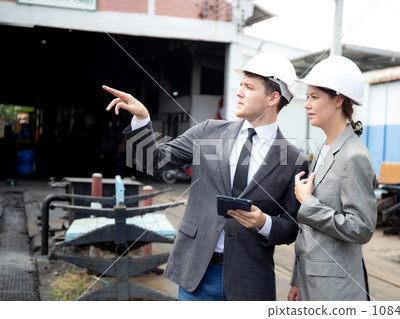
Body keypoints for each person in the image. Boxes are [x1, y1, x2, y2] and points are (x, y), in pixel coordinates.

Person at [104, 51, 309, 301]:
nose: (238, 92)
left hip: (249, 281)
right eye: (240, 85)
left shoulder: (293, 159)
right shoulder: (208, 132)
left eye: (248, 87)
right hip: (197, 273)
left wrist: (263, 222)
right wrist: (142, 118)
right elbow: (154, 160)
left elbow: (293, 226)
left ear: (272, 98)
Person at [288, 56, 377, 301]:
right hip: (311, 283)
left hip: (337, 292)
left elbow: (362, 227)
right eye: (307, 97)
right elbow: (308, 230)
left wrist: (308, 203)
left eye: (314, 97)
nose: (306, 104)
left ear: (338, 100)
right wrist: (297, 279)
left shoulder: (354, 155)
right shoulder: (325, 147)